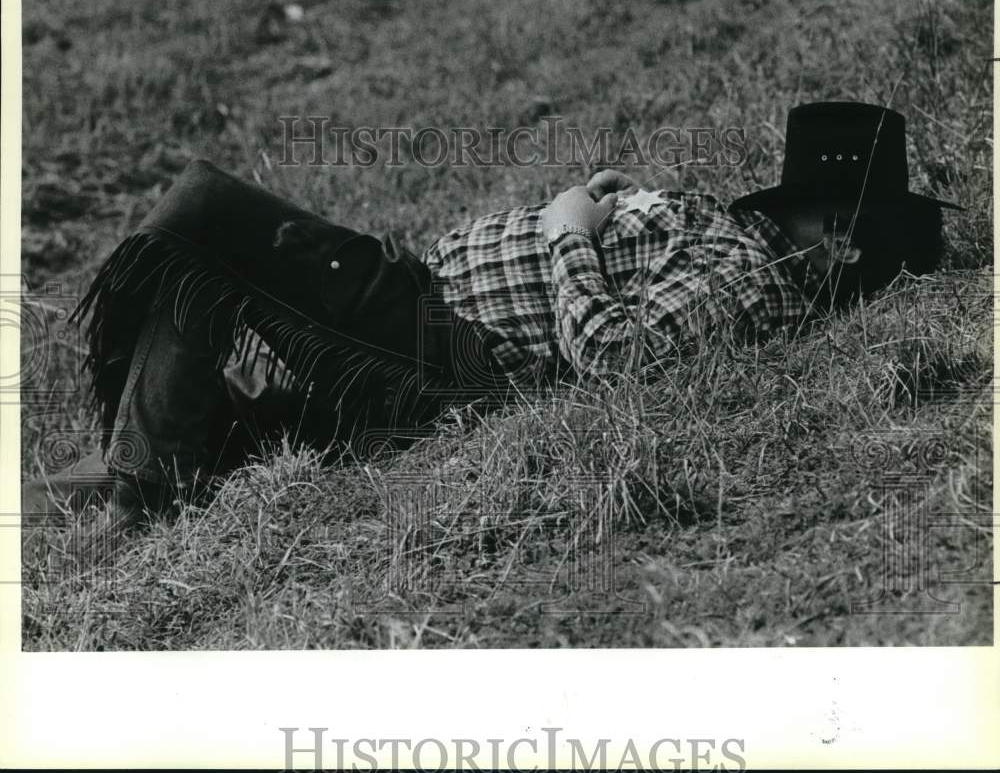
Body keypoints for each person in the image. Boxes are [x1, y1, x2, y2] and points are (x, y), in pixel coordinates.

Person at [21, 101, 958, 556]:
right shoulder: (733, 241)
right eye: (815, 205)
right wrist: (620, 207)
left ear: (838, 245)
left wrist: (566, 235)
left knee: (202, 224)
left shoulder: (752, 278)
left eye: (828, 216)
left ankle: (143, 490)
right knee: (215, 329)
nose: (809, 220)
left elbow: (613, 355)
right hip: (420, 302)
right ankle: (157, 459)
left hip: (446, 347)